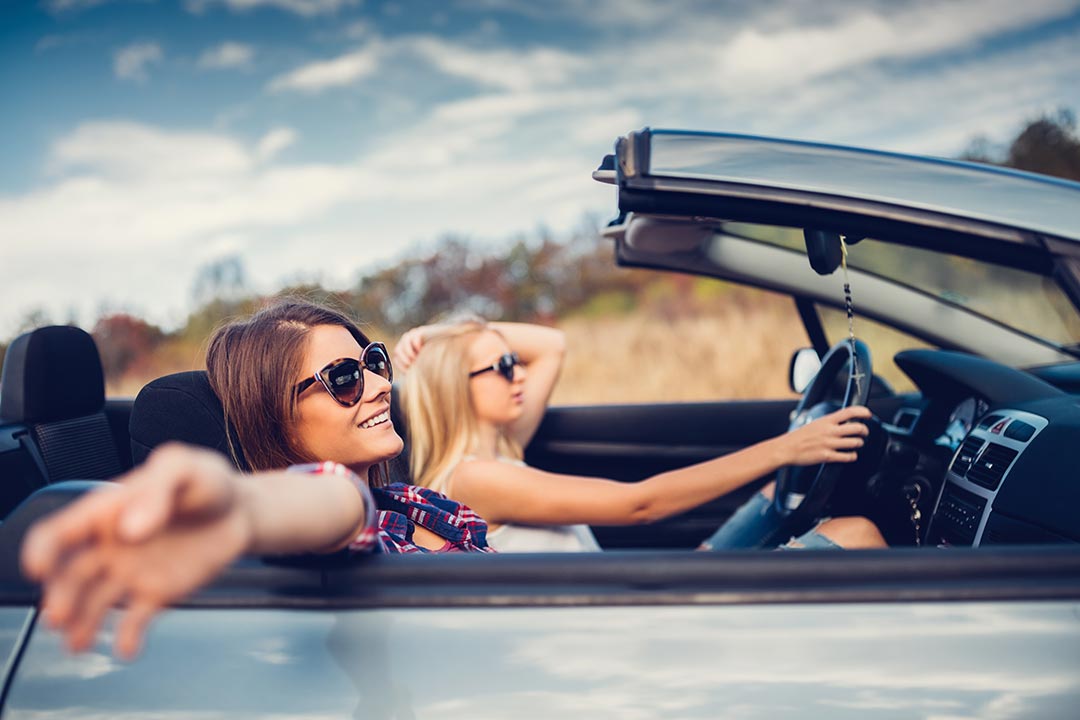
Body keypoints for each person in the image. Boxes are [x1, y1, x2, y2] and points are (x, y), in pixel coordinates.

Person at [21, 300, 491, 659]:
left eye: (374, 362)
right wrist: (236, 505)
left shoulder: (413, 501)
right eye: (346, 378)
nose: (382, 385)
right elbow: (333, 504)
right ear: (277, 418)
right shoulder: (338, 518)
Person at [395, 317, 886, 553]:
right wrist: (784, 448)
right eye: (503, 366)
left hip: (633, 595)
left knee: (777, 493)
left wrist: (444, 334)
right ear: (454, 386)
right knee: (857, 535)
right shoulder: (474, 480)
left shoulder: (500, 447)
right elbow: (640, 505)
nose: (520, 372)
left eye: (514, 360)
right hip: (632, 626)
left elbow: (552, 345)